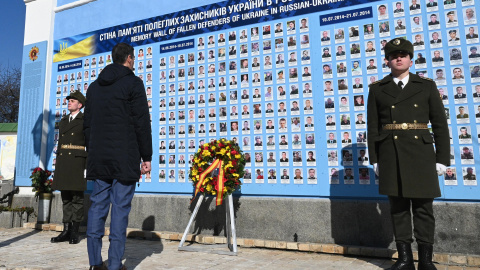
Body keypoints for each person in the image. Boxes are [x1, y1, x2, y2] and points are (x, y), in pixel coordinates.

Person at [367, 38, 449, 270]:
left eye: (403, 55)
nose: (399, 58)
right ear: (388, 61)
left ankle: (425, 260)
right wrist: (375, 159)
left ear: (411, 60)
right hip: (390, 154)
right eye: (394, 56)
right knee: (399, 207)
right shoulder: (378, 89)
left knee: (424, 208)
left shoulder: (426, 86)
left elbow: (440, 125)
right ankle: (404, 260)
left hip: (421, 153)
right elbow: (373, 127)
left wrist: (442, 158)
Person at [84, 43, 152, 270]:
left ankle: (95, 264)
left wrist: (91, 150)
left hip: (99, 158)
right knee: (120, 209)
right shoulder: (133, 83)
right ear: (129, 59)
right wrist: (146, 156)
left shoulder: (93, 87)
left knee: (97, 207)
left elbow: (87, 125)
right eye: (134, 58)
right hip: (124, 157)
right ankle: (114, 265)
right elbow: (141, 122)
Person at [51, 91, 87, 245]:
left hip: (78, 161)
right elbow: (60, 144)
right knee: (65, 197)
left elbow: (90, 142)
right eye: (69, 100)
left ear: (80, 105)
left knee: (77, 198)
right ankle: (66, 230)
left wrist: (87, 165)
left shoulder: (85, 120)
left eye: (72, 101)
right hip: (64, 161)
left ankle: (75, 231)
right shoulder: (64, 120)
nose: (69, 102)